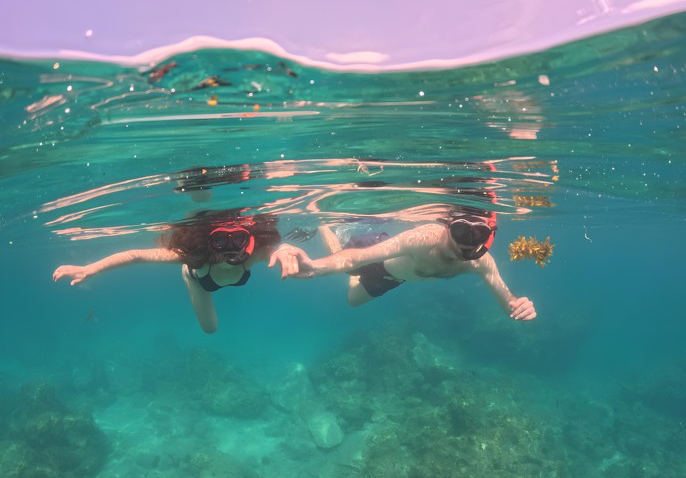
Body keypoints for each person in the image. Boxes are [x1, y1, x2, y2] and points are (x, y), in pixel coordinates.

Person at [53, 210, 306, 333]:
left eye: (238, 239)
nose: (230, 247)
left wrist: (285, 251)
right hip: (200, 280)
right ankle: (186, 274)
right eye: (221, 240)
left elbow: (278, 250)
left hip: (219, 273)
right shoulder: (198, 258)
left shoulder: (255, 254)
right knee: (210, 329)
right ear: (209, 241)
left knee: (211, 329)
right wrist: (89, 269)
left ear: (249, 239)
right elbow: (136, 255)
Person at [272, 209, 536, 321]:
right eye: (460, 230)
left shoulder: (480, 262)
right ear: (447, 225)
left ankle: (354, 277)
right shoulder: (423, 239)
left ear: (489, 235)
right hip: (378, 259)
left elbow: (509, 301)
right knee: (342, 259)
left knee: (353, 300)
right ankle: (324, 224)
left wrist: (519, 305)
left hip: (396, 277)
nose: (466, 243)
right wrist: (314, 267)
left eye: (477, 234)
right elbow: (354, 259)